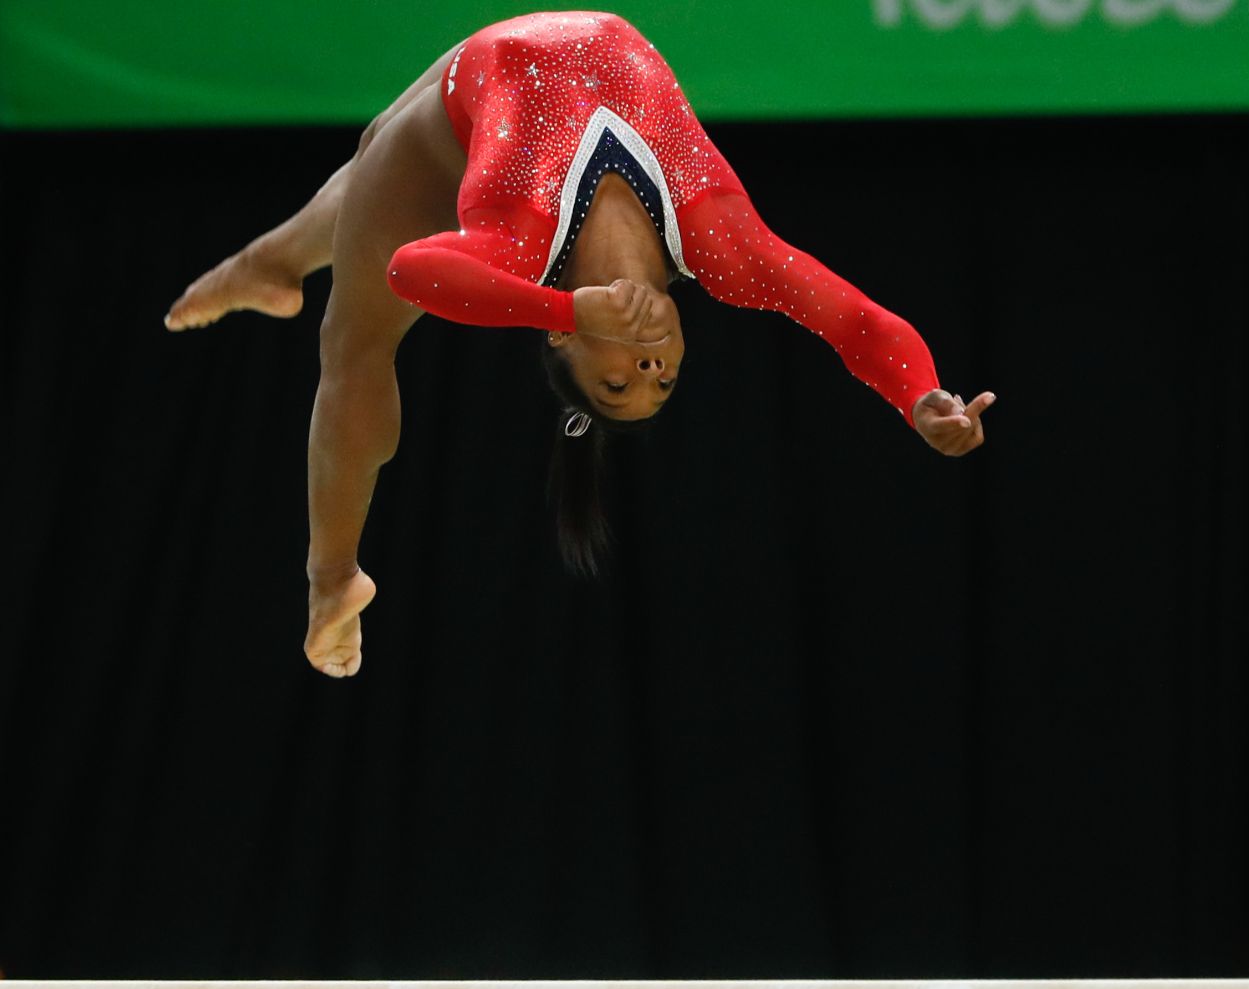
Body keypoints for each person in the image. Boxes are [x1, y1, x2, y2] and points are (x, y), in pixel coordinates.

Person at [164, 11, 995, 679]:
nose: (648, 369)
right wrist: (920, 397)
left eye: (617, 387)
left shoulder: (524, 243)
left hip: (453, 115)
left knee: (352, 334)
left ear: (561, 346)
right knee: (360, 171)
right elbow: (853, 321)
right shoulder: (722, 248)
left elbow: (412, 269)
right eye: (661, 383)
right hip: (508, 59)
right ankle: (268, 262)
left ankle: (331, 578)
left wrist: (565, 302)